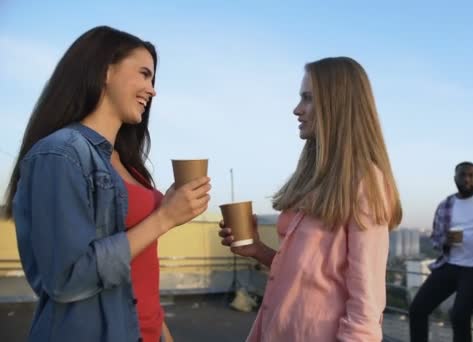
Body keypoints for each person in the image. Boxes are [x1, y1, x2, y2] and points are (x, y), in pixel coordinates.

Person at [4, 26, 211, 342]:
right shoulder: (60, 154)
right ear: (104, 71)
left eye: (152, 79)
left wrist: (161, 333)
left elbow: (138, 273)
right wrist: (165, 217)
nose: (151, 90)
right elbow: (67, 277)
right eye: (143, 74)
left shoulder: (128, 163)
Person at [219, 57, 403, 341]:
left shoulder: (366, 183)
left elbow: (366, 305)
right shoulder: (315, 179)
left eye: (307, 99)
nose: (297, 109)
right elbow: (308, 275)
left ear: (337, 105)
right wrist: (257, 249)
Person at [409, 162, 473, 342]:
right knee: (417, 309)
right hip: (450, 265)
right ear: (455, 178)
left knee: (459, 316)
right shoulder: (446, 204)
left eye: (471, 175)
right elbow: (436, 239)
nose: (467, 179)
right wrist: (444, 240)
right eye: (462, 175)